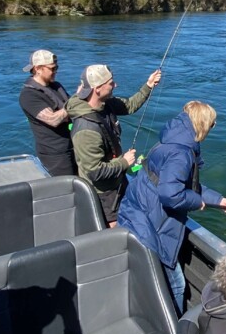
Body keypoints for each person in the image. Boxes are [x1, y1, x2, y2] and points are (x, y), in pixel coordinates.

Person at [117, 100, 226, 314]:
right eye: (212, 124)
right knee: (176, 285)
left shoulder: (171, 139)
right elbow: (170, 194)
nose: (213, 128)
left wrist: (218, 200)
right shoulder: (181, 154)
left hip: (136, 211)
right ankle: (176, 329)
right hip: (150, 225)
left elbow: (182, 184)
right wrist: (198, 202)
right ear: (203, 124)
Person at [66, 64, 161, 226]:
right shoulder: (86, 130)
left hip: (117, 179)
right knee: (114, 230)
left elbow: (129, 105)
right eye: (110, 83)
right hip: (104, 192)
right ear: (97, 89)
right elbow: (95, 172)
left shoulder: (106, 103)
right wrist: (124, 162)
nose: (115, 85)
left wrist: (149, 85)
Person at [18, 49, 76, 176]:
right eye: (52, 68)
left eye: (57, 67)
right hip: (55, 155)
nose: (56, 71)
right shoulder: (28, 95)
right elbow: (53, 120)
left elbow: (71, 105)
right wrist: (77, 101)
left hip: (72, 146)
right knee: (66, 189)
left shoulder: (56, 86)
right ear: (38, 68)